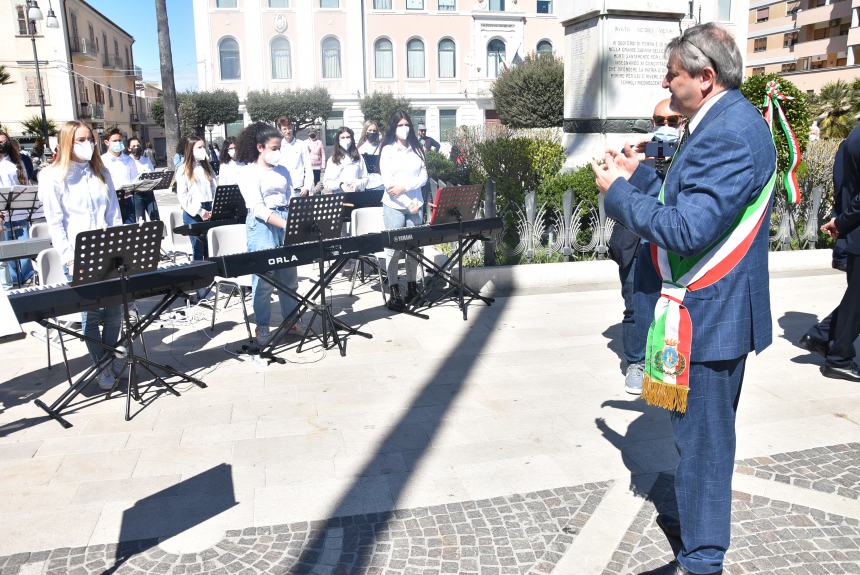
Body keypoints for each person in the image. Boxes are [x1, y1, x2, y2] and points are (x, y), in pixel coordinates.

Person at [592, 23, 776, 575]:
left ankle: (702, 561)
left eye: (672, 74)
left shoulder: (727, 131)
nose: (665, 84)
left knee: (704, 449)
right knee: (697, 444)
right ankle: (702, 547)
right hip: (706, 314)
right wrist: (640, 180)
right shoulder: (722, 121)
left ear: (705, 76)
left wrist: (618, 194)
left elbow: (688, 230)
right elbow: (692, 205)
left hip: (710, 317)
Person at [608, 98, 685, 395]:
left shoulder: (685, 154)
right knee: (635, 305)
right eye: (659, 121)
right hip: (636, 245)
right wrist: (636, 159)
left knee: (669, 306)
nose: (665, 127)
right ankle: (636, 364)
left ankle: (666, 363)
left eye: (672, 121)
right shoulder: (641, 153)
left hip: (671, 246)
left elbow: (673, 188)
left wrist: (654, 157)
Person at [39, 121, 123, 391]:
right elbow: (56, 222)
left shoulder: (101, 171)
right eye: (81, 140)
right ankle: (102, 364)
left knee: (114, 313)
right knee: (92, 316)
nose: (88, 144)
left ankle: (109, 356)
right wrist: (68, 257)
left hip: (108, 251)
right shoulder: (52, 176)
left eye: (90, 139)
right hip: (78, 255)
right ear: (67, 143)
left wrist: (120, 246)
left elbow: (114, 213)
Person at [802, 123, 860, 381]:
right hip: (854, 228)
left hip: (853, 230)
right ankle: (838, 357)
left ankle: (823, 336)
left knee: (856, 299)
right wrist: (842, 221)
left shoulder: (853, 135)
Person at [236, 122, 299, 344]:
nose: (278, 152)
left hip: (284, 219)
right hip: (262, 225)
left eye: (279, 147)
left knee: (289, 276)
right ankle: (262, 325)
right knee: (263, 280)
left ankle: (291, 320)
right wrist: (285, 223)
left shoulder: (283, 171)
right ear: (260, 147)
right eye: (274, 148)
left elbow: (292, 196)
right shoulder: (247, 172)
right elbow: (258, 207)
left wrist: (295, 216)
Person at [379, 111, 427, 311]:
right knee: (394, 248)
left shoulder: (417, 149)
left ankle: (412, 286)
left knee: (413, 248)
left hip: (416, 204)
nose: (404, 128)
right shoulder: (388, 151)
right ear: (393, 128)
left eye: (406, 124)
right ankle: (394, 289)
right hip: (395, 206)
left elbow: (424, 176)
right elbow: (390, 185)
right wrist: (408, 202)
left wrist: (407, 188)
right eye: (400, 125)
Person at [0, 131, 34, 289]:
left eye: (4, 141)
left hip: (19, 211)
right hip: (2, 216)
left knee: (23, 248)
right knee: (7, 251)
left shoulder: (17, 162)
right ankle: (12, 281)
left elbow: (25, 184)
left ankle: (27, 278)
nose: (2, 144)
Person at [176, 136, 216, 265]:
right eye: (199, 147)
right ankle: (199, 280)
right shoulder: (183, 169)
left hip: (209, 207)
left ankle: (212, 275)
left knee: (210, 246)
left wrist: (214, 206)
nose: (202, 149)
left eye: (203, 146)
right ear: (190, 150)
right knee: (198, 247)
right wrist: (200, 211)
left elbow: (214, 187)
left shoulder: (207, 167)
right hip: (193, 211)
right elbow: (183, 196)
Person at [101, 128, 138, 224]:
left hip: (128, 200)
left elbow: (134, 179)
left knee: (130, 230)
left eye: (119, 140)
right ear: (106, 142)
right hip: (111, 202)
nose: (118, 142)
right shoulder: (102, 161)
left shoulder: (129, 160)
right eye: (114, 141)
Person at [323, 127, 369, 194]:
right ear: (338, 140)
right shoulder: (332, 160)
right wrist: (341, 185)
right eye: (342, 137)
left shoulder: (359, 157)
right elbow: (327, 183)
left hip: (356, 194)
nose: (346, 140)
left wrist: (356, 184)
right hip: (339, 196)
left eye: (348, 137)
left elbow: (365, 178)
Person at [277, 117, 313, 196]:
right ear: (280, 131)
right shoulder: (277, 146)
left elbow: (308, 167)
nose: (287, 131)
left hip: (299, 190)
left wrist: (306, 186)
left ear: (292, 127)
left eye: (289, 128)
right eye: (284, 129)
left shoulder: (301, 144)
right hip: (283, 190)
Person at [127, 137, 159, 222]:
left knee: (155, 219)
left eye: (138, 145)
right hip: (136, 194)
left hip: (149, 192)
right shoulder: (127, 161)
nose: (136, 148)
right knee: (141, 221)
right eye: (133, 146)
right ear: (129, 148)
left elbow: (152, 173)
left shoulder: (146, 159)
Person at [357, 121, 384, 191]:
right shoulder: (360, 148)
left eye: (374, 131)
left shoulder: (382, 147)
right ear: (365, 131)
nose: (372, 132)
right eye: (370, 130)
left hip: (380, 183)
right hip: (365, 185)